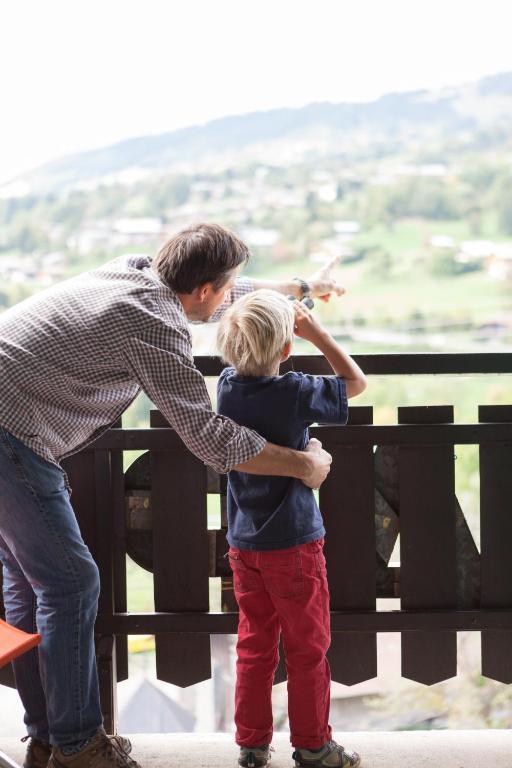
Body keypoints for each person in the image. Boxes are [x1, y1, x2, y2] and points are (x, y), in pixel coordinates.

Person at [0, 223, 343, 768]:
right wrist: (304, 464)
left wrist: (298, 289)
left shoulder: (134, 269)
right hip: (11, 431)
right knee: (70, 583)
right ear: (204, 289)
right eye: (226, 287)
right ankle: (77, 746)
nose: (233, 294)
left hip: (12, 421)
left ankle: (48, 737)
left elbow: (237, 286)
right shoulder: (156, 325)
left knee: (30, 583)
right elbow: (208, 437)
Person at [216, 290, 367, 768]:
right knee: (307, 649)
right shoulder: (296, 391)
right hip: (295, 545)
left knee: (255, 645)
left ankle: (252, 745)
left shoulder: (226, 388)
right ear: (286, 349)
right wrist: (318, 332)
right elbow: (355, 383)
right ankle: (313, 745)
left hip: (244, 543)